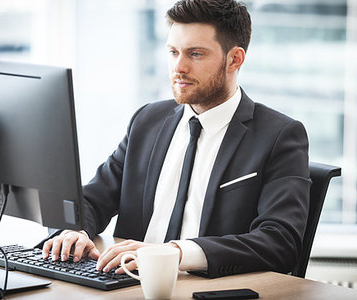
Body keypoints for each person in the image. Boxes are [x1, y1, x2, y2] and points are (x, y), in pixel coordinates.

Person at [42, 0, 311, 278]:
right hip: (126, 286)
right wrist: (73, 231)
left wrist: (176, 253)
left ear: (235, 59)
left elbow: (280, 241)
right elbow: (91, 198)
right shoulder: (147, 121)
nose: (178, 67)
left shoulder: (279, 135)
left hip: (204, 289)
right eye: (173, 52)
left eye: (195, 54)